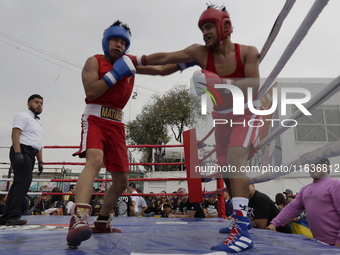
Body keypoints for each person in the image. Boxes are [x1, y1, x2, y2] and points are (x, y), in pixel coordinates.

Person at [132, 5, 262, 252]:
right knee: (225, 170)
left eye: (209, 26)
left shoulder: (248, 52)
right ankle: (239, 219)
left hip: (246, 111)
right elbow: (165, 62)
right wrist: (133, 62)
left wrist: (217, 82)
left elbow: (254, 84)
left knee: (235, 160)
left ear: (225, 26)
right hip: (221, 116)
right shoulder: (199, 53)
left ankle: (243, 230)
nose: (204, 32)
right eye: (202, 28)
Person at [67, 20, 183, 248]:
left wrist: (186, 62)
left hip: (117, 123)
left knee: (121, 181)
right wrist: (114, 75)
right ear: (106, 41)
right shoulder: (94, 61)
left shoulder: (129, 63)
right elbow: (90, 91)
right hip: (96, 118)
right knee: (95, 161)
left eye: (123, 42)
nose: (118, 45)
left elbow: (159, 68)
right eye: (115, 40)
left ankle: (102, 221)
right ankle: (78, 220)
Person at [266, 158, 340, 247]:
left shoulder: (335, 184)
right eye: (311, 164)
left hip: (335, 244)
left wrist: (338, 243)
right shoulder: (305, 190)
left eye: (317, 164)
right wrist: (274, 223)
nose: (313, 167)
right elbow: (291, 209)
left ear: (327, 167)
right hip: (319, 244)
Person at [0, 94, 43, 226]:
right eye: (36, 102)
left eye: (41, 103)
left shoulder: (38, 123)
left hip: (31, 153)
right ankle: (13, 215)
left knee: (19, 183)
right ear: (29, 104)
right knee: (24, 181)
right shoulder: (23, 116)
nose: (39, 105)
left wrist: (40, 161)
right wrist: (18, 153)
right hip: (22, 150)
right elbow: (15, 134)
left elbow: (38, 143)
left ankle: (6, 216)